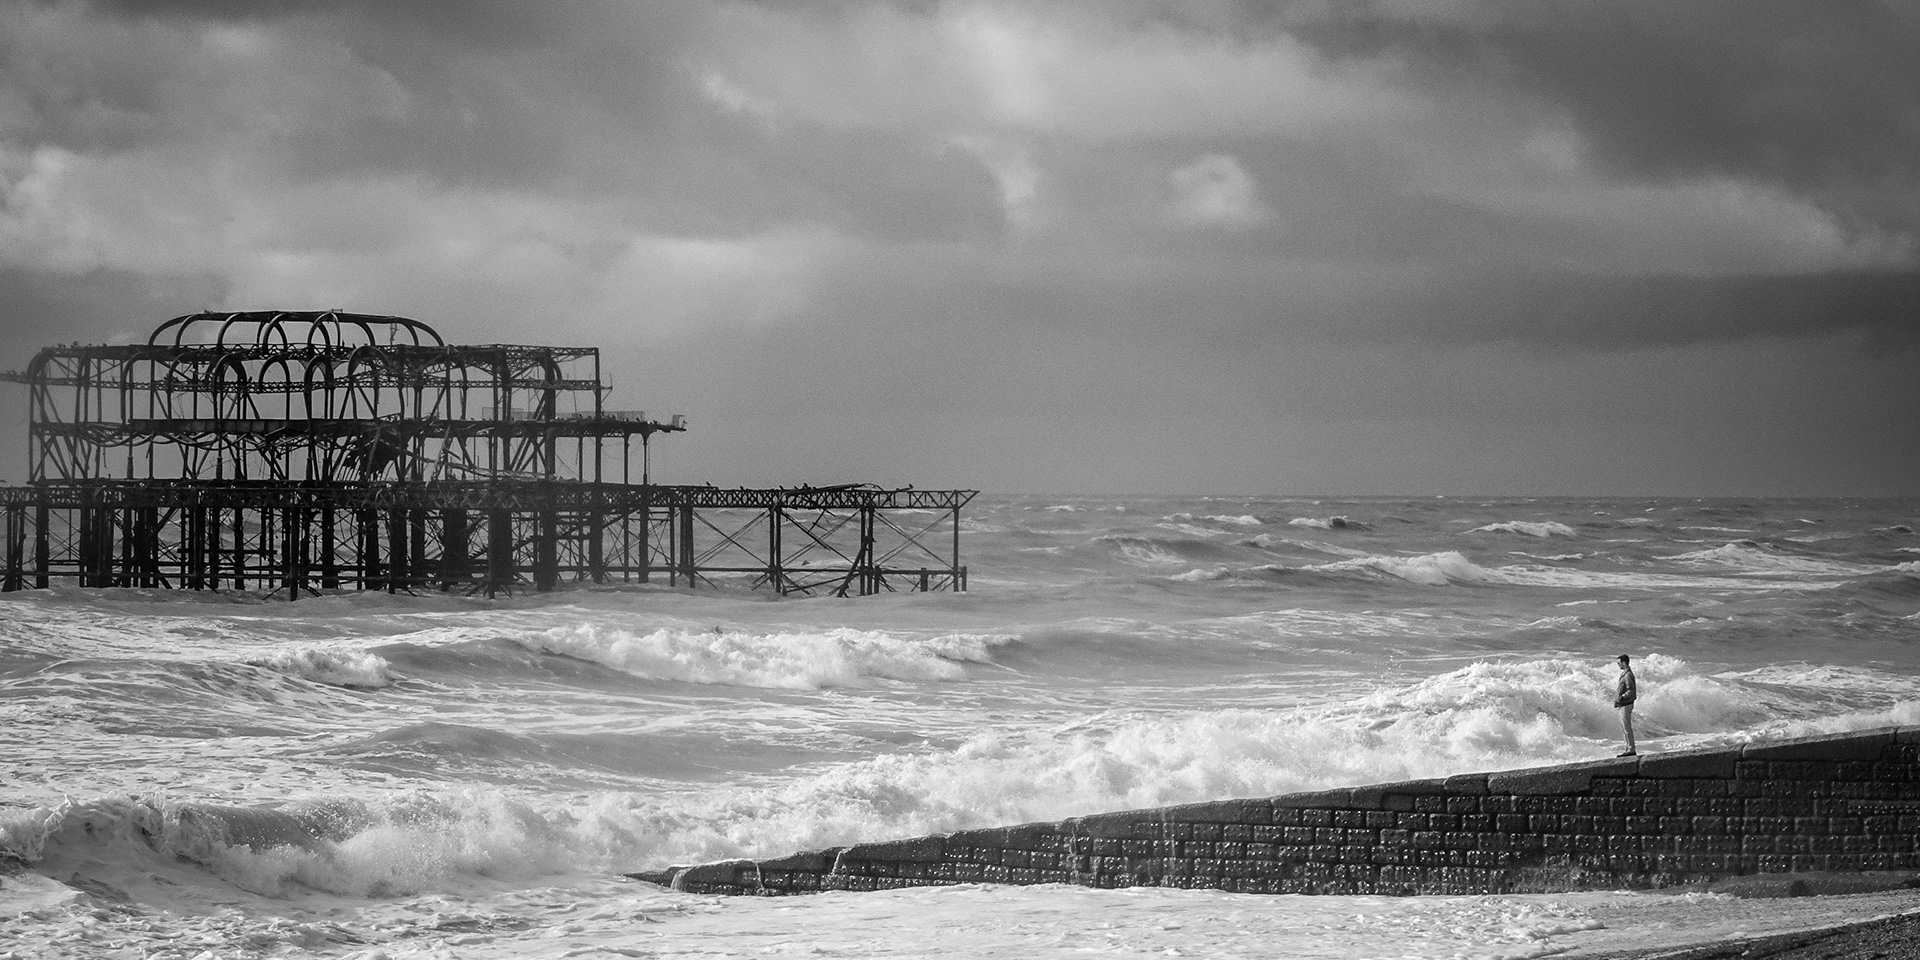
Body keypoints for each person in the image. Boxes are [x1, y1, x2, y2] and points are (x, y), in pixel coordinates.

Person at [1614, 654, 1637, 757]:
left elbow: (1630, 690)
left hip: (1626, 704)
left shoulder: (1627, 675)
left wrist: (1621, 697)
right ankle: (1628, 748)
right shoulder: (1626, 674)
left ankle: (1631, 749)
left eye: (1619, 663)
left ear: (1624, 662)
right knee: (1625, 727)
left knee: (1626, 727)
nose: (1618, 665)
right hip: (1624, 704)